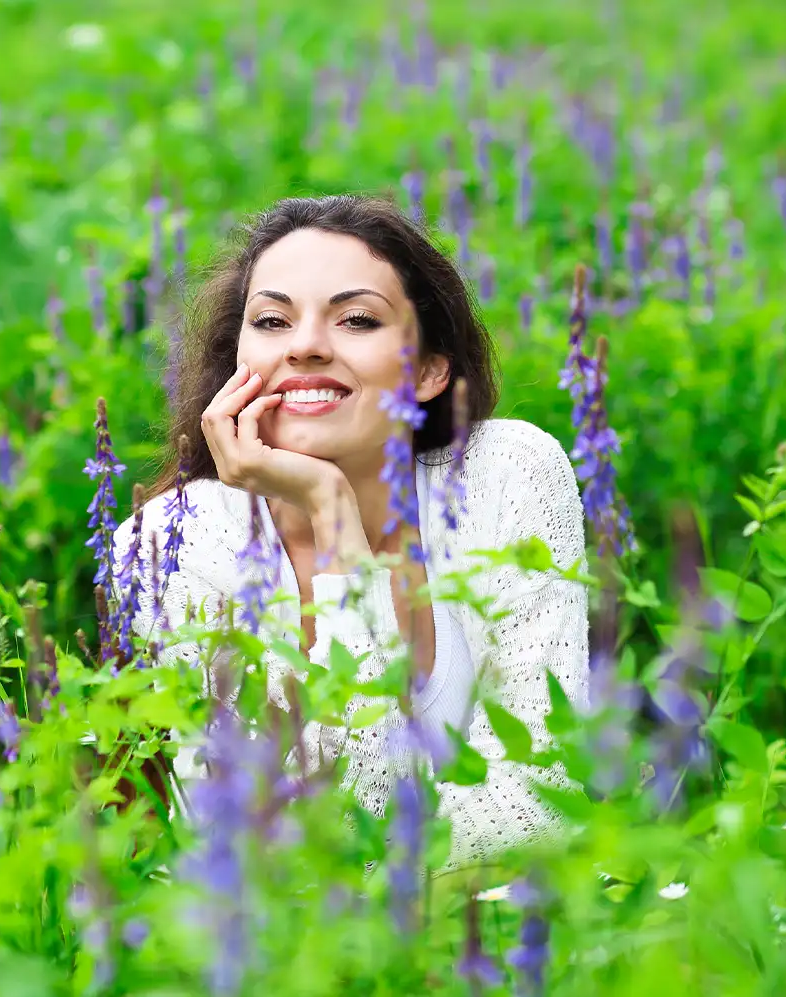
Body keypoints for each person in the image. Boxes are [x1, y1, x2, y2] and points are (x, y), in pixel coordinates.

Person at [112, 194, 589, 871]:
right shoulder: (176, 544)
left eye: (357, 319)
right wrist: (331, 510)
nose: (305, 344)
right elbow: (315, 841)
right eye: (272, 320)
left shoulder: (506, 474)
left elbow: (548, 792)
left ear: (428, 370)